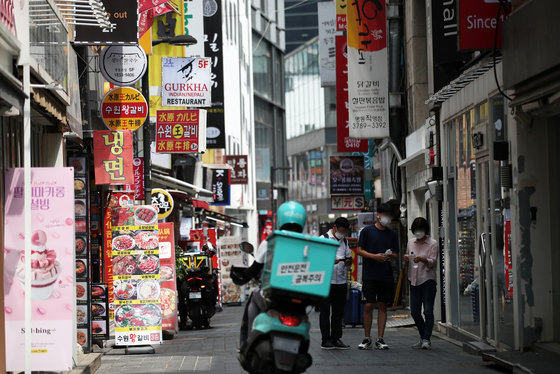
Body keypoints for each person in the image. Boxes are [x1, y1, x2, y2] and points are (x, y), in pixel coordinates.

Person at [231, 201, 307, 348]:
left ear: (280, 220)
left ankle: (247, 344)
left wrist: (243, 275)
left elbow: (253, 270)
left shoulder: (270, 243)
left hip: (273, 295)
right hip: (299, 296)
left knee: (254, 298)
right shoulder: (308, 244)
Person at [356, 203, 399, 350]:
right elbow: (359, 250)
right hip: (369, 274)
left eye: (389, 216)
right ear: (378, 215)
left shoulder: (392, 234)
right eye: (385, 215)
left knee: (382, 306)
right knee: (368, 305)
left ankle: (380, 338)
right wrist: (374, 256)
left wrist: (388, 256)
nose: (387, 218)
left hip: (385, 275)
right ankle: (367, 338)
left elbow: (395, 254)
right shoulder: (367, 231)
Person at [403, 217, 438, 349]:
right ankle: (424, 337)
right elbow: (408, 257)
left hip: (427, 279)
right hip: (413, 279)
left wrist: (422, 259)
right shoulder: (411, 242)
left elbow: (433, 261)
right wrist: (406, 258)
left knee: (428, 311)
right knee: (414, 312)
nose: (418, 233)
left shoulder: (433, 243)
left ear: (425, 230)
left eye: (420, 230)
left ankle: (426, 339)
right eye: (416, 230)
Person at [320, 217, 353, 350]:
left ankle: (336, 338)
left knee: (338, 312)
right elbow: (316, 260)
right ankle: (325, 339)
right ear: (334, 227)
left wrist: (347, 262)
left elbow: (349, 259)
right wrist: (329, 261)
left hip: (341, 281)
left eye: (344, 232)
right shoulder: (323, 239)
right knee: (325, 311)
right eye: (341, 231)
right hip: (326, 282)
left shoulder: (344, 241)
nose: (342, 234)